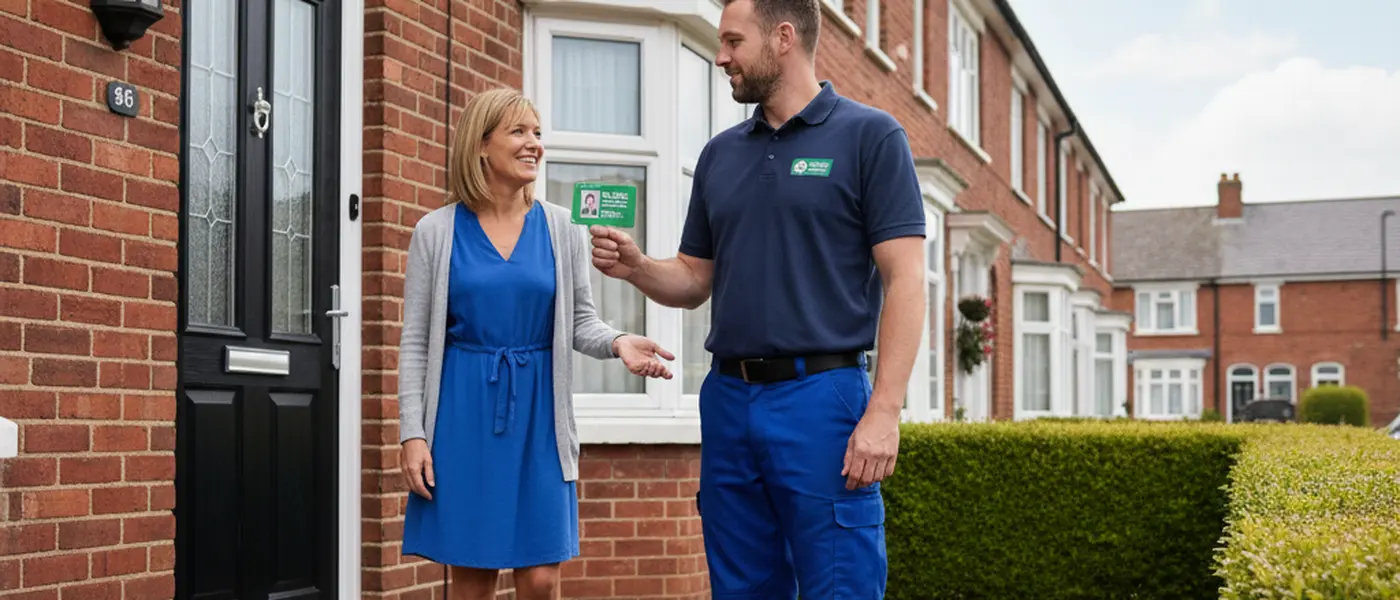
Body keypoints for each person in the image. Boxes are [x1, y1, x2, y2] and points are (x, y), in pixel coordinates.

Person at [588, 0, 927, 597]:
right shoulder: (721, 154)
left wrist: (885, 411)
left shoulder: (870, 136)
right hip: (729, 402)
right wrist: (639, 267)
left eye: (732, 42)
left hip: (823, 399)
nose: (721, 57)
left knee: (840, 585)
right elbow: (694, 279)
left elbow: (906, 280)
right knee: (741, 586)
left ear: (783, 39)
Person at [397, 88, 675, 600]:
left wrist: (618, 343)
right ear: (481, 146)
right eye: (519, 132)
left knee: (542, 577)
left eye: (538, 134)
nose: (534, 145)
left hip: (541, 419)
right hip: (463, 416)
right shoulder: (435, 232)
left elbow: (580, 322)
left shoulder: (561, 227)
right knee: (473, 579)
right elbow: (415, 342)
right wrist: (413, 433)